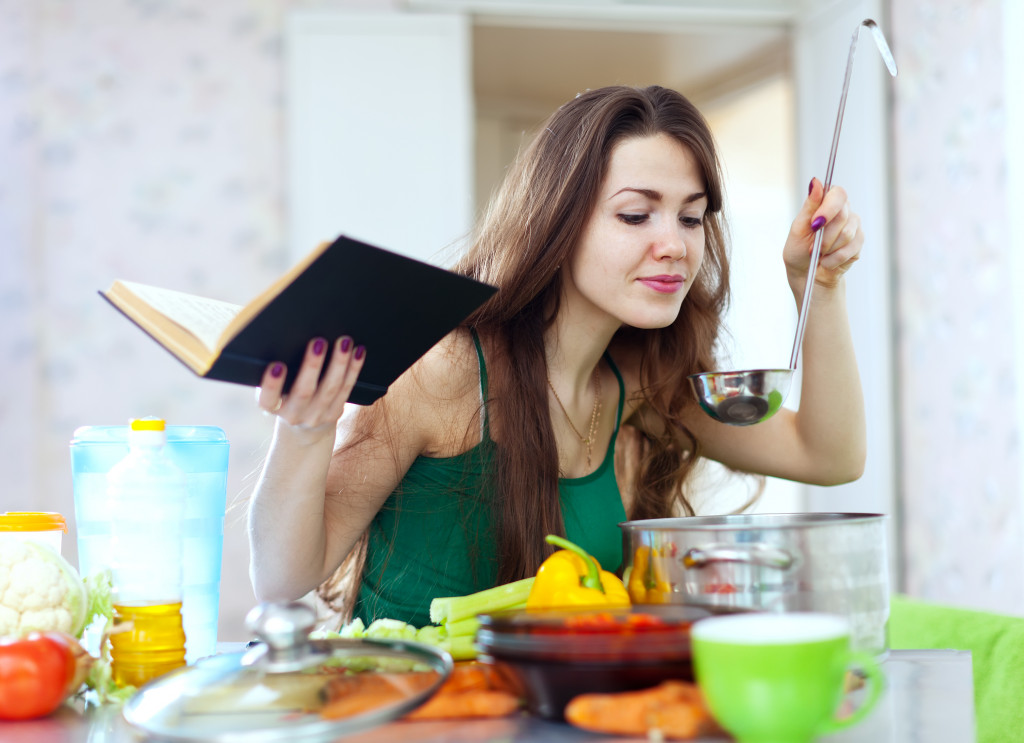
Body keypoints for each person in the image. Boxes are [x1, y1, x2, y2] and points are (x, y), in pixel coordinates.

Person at [248, 85, 866, 628]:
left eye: (691, 217)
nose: (674, 245)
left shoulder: (639, 385)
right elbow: (282, 581)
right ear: (557, 222)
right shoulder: (443, 371)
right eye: (635, 214)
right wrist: (303, 434)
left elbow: (829, 456)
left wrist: (823, 287)